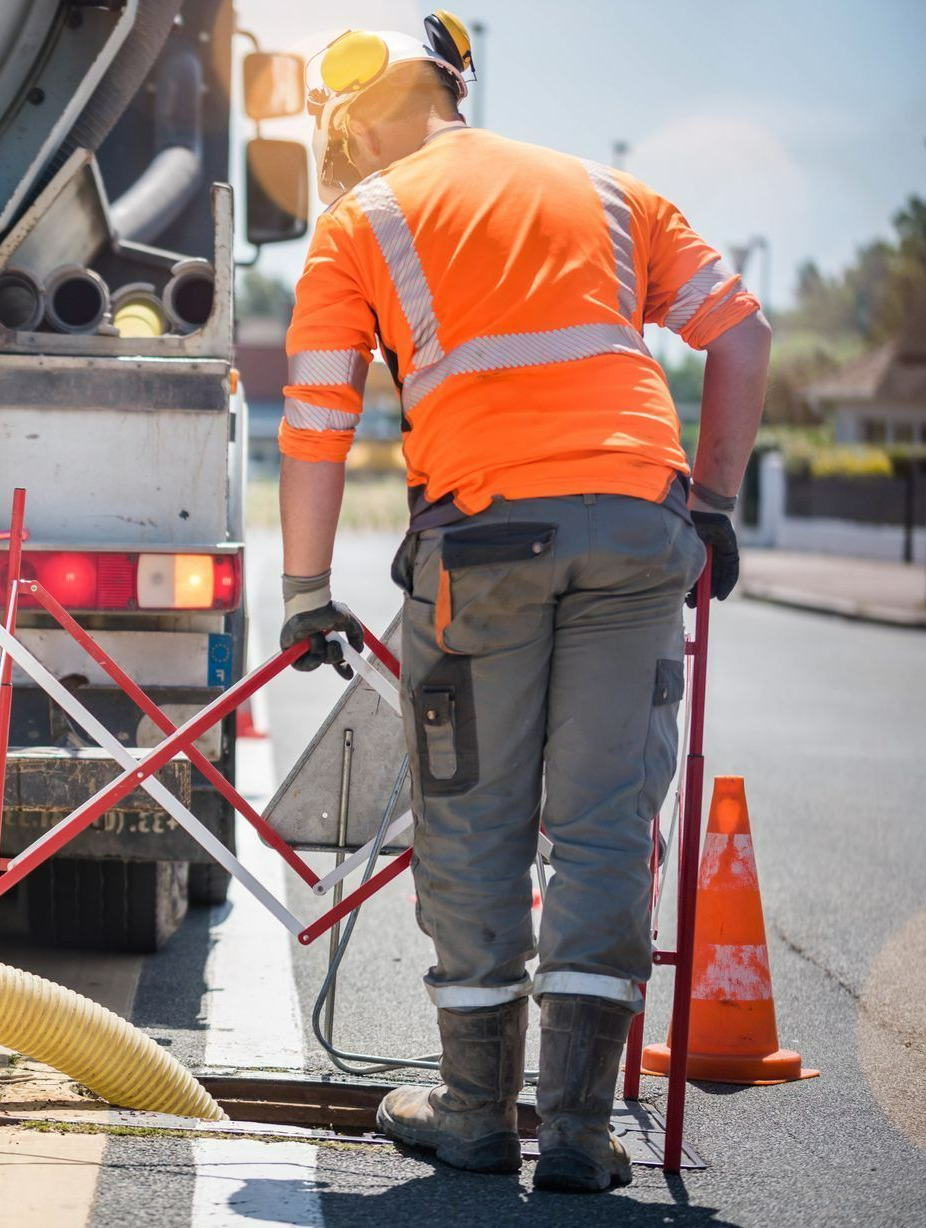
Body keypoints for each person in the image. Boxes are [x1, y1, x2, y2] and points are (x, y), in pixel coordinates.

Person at [274, 12, 771, 1194]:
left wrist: (305, 593)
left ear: (354, 114)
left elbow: (314, 426)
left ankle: (477, 1112)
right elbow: (741, 338)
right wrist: (712, 504)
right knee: (604, 826)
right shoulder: (610, 193)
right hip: (641, 532)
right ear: (454, 86)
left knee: (473, 823)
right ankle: (585, 1134)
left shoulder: (360, 224)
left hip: (483, 544)